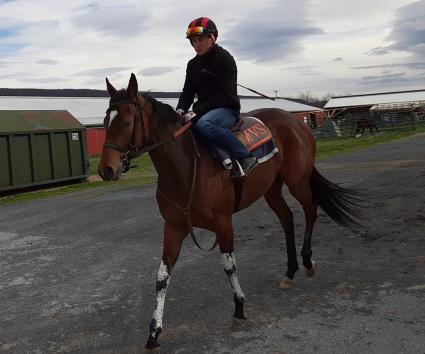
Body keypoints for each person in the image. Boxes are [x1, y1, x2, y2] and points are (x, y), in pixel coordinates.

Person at [176, 17, 257, 175]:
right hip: (204, 110)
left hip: (227, 109)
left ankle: (246, 156)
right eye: (193, 41)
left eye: (200, 40)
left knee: (204, 124)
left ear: (212, 38)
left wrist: (197, 111)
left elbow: (225, 94)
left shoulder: (225, 59)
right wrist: (180, 109)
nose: (196, 45)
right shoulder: (192, 65)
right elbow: (187, 91)